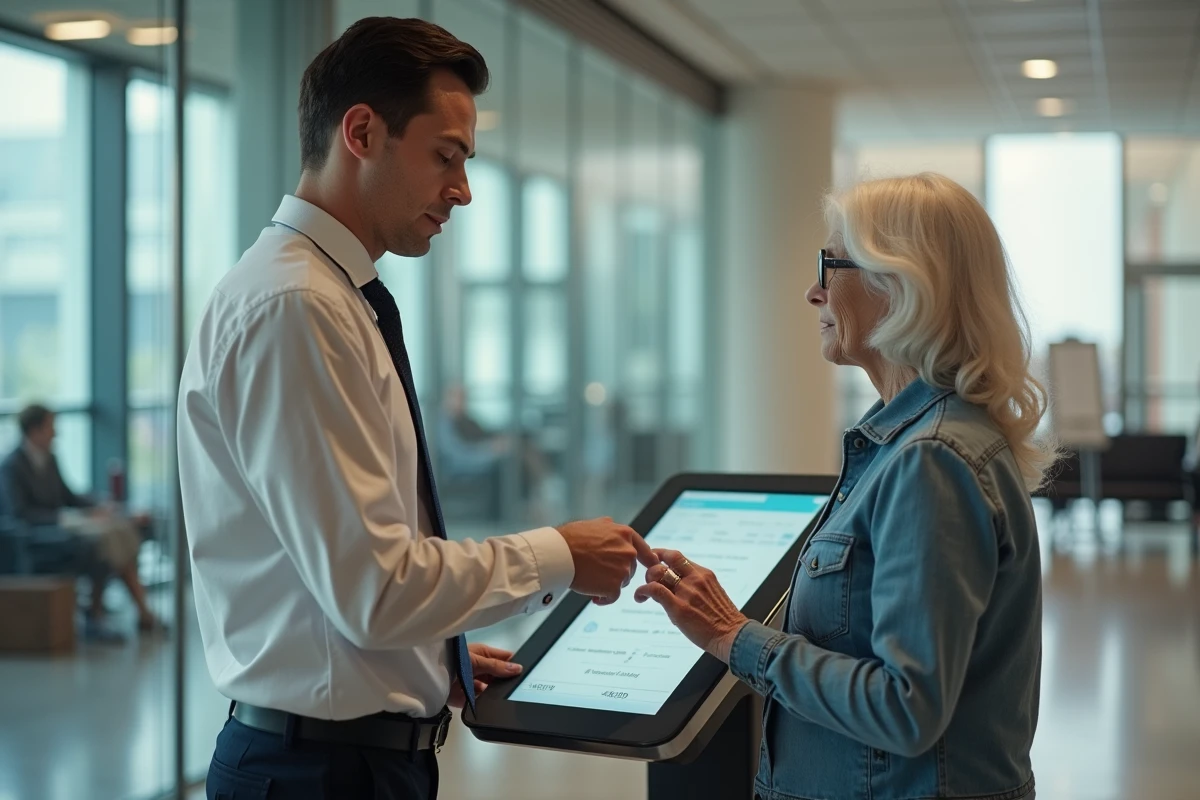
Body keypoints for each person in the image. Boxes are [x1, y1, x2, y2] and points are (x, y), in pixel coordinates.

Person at [176, 17, 656, 800]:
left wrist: (431, 663)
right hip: (320, 774)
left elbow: (340, 583)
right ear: (361, 131)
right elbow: (377, 589)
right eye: (447, 157)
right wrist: (561, 554)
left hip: (343, 760)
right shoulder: (298, 307)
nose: (462, 191)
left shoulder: (328, 296)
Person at [636, 174, 1047, 800]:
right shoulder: (919, 444)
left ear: (904, 283)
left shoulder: (930, 459)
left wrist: (731, 635)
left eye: (831, 264)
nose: (813, 291)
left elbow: (906, 707)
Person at [0, 404, 163, 638]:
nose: (56, 433)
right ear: (34, 430)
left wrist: (101, 506)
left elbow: (70, 496)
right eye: (50, 427)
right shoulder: (11, 467)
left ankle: (115, 613)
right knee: (105, 539)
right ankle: (113, 613)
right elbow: (19, 513)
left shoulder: (49, 460)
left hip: (63, 525)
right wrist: (66, 517)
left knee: (118, 530)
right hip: (41, 535)